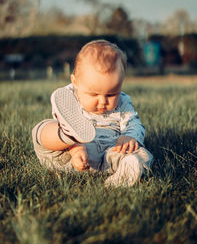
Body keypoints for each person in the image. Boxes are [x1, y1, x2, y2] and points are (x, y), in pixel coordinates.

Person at [32, 40, 153, 187]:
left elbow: (134, 122)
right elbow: (59, 121)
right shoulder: (69, 96)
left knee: (141, 154)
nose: (102, 101)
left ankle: (124, 172)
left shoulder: (123, 101)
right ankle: (69, 136)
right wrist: (75, 148)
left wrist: (129, 137)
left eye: (111, 94)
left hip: (110, 152)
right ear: (75, 83)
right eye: (94, 94)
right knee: (42, 130)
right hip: (74, 154)